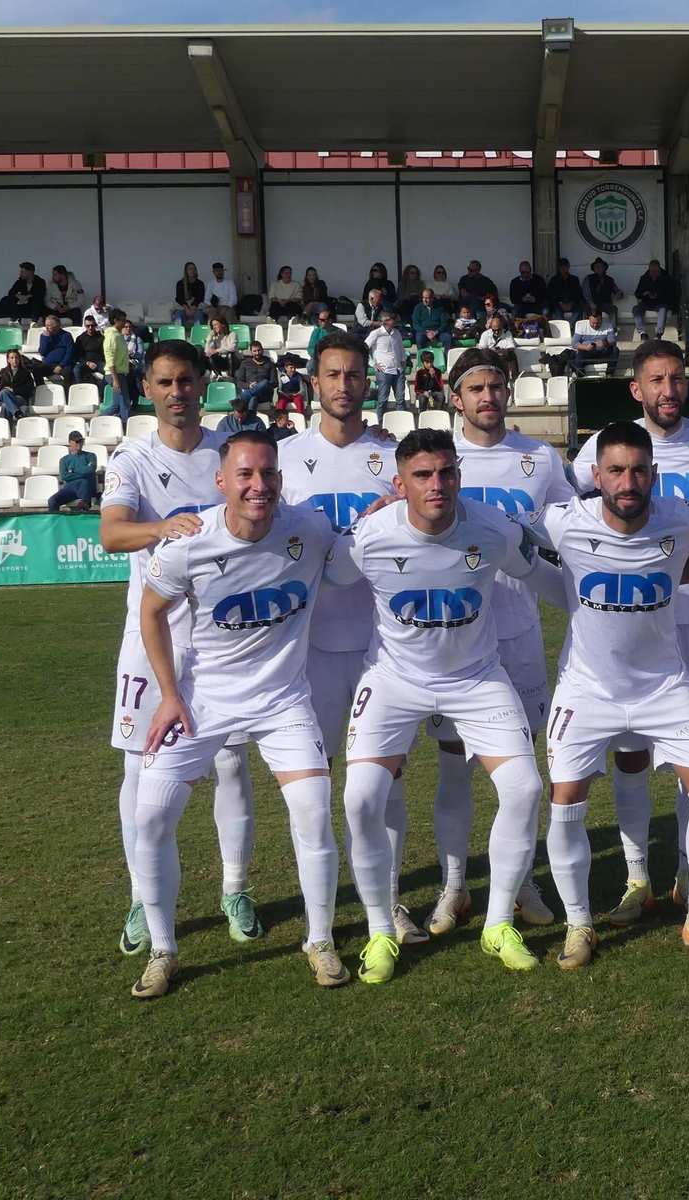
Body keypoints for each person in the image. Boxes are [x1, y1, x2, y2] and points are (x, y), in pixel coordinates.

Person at [131, 429, 347, 999]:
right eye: (246, 475)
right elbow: (151, 615)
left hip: (282, 701)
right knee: (151, 815)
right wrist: (170, 695)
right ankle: (163, 949)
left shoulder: (309, 528)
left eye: (268, 473)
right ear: (222, 481)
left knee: (312, 807)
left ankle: (319, 940)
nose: (259, 485)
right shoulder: (188, 543)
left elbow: (358, 546)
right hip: (202, 702)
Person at [326, 427, 549, 980]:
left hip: (476, 677)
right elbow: (327, 575)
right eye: (422, 475)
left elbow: (538, 571)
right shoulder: (370, 535)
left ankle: (499, 923)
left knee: (524, 787)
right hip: (394, 679)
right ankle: (381, 929)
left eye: (447, 472)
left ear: (458, 475)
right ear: (400, 484)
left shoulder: (494, 527)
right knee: (360, 799)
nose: (437, 485)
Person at [522, 421, 689, 966]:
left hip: (665, 687)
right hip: (587, 690)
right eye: (616, 471)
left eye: (639, 471)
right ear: (596, 475)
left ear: (655, 474)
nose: (628, 482)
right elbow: (495, 527)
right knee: (566, 801)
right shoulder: (563, 520)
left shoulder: (684, 516)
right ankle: (580, 926)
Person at [571, 340, 689, 923]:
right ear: (636, 389)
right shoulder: (601, 451)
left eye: (677, 379)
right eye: (656, 380)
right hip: (629, 628)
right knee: (631, 756)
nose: (669, 390)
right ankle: (636, 875)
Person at [98, 338, 260, 964]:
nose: (176, 392)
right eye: (164, 382)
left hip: (224, 633)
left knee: (230, 764)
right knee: (140, 767)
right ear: (148, 388)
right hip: (153, 634)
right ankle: (144, 895)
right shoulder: (132, 458)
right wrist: (160, 527)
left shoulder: (230, 453)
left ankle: (236, 888)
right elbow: (112, 532)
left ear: (202, 383)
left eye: (186, 380)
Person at [418, 348, 573, 935]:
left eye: (497, 386)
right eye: (475, 388)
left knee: (521, 769)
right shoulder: (440, 461)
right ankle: (454, 886)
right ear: (456, 398)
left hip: (519, 631)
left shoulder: (539, 457)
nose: (488, 397)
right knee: (454, 765)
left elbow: (567, 529)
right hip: (454, 639)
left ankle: (521, 881)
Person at [275, 330, 421, 943]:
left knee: (384, 776)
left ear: (369, 381)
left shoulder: (393, 456)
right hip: (307, 646)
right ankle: (325, 906)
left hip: (382, 644)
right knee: (316, 779)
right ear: (316, 383)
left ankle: (387, 903)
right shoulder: (282, 458)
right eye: (332, 375)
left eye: (354, 375)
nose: (343, 385)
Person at [365, 310, 408, 414]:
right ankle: (380, 424)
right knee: (383, 401)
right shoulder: (376, 333)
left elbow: (401, 348)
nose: (396, 320)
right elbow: (363, 348)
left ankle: (401, 422)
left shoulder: (396, 333)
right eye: (393, 318)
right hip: (384, 371)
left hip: (398, 370)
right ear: (387, 321)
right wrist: (372, 363)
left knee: (400, 400)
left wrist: (403, 360)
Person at [48, 430, 99, 512]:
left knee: (84, 483)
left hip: (85, 487)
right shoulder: (64, 460)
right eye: (76, 441)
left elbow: (91, 469)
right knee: (52, 501)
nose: (79, 443)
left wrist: (73, 471)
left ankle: (85, 504)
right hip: (70, 488)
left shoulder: (90, 456)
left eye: (81, 441)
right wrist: (84, 472)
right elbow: (64, 476)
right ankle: (54, 522)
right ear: (70, 442)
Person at [633, 260, 676, 338]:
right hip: (647, 302)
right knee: (636, 309)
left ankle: (659, 333)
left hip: (661, 303)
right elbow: (637, 294)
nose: (653, 273)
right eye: (652, 271)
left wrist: (658, 296)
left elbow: (672, 294)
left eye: (655, 271)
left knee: (663, 310)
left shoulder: (667, 279)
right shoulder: (644, 278)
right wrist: (644, 294)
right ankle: (642, 333)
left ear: (659, 269)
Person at [234, 341, 276, 414]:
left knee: (265, 382)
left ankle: (242, 399)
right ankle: (251, 418)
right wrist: (249, 386)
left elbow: (275, 383)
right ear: (251, 352)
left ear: (262, 350)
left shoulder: (270, 364)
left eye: (259, 350)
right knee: (253, 398)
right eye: (254, 351)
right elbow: (239, 382)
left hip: (265, 393)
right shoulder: (245, 364)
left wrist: (260, 385)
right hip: (251, 391)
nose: (257, 353)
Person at [0, 349, 34, 423]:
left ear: (19, 359)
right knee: (4, 392)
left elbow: (29, 388)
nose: (15, 360)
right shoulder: (3, 372)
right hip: (2, 397)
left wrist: (14, 390)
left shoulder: (25, 373)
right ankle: (17, 412)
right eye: (12, 358)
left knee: (5, 406)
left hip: (19, 397)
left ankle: (6, 430)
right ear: (8, 360)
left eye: (16, 357)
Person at [412, 288, 452, 355]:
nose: (425, 300)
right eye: (423, 297)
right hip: (424, 332)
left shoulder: (440, 308)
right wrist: (427, 332)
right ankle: (422, 360)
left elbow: (444, 323)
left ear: (432, 298)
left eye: (427, 298)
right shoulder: (418, 307)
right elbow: (415, 324)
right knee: (419, 338)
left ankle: (447, 360)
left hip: (437, 332)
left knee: (448, 337)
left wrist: (435, 332)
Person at [581, 258, 623, 323]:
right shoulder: (588, 278)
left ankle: (613, 329)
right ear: (594, 269)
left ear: (604, 268)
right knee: (585, 310)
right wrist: (591, 302)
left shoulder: (609, 279)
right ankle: (586, 330)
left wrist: (619, 293)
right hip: (591, 303)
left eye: (600, 266)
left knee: (613, 309)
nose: (598, 268)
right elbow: (585, 292)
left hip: (603, 303)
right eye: (596, 266)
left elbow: (616, 289)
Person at [37, 314, 75, 381]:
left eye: (49, 325)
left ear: (56, 326)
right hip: (49, 364)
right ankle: (42, 389)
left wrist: (61, 365)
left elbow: (70, 352)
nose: (46, 327)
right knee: (37, 371)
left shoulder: (66, 335)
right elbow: (42, 352)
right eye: (45, 325)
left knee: (68, 373)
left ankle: (68, 391)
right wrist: (46, 339)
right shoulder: (44, 336)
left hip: (64, 364)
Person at [548, 258, 585, 322]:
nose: (563, 267)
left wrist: (571, 303)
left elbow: (578, 294)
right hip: (558, 305)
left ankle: (570, 326)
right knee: (557, 312)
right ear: (558, 267)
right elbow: (551, 295)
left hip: (572, 304)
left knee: (579, 310)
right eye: (560, 265)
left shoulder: (574, 279)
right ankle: (563, 327)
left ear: (568, 266)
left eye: (565, 265)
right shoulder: (554, 280)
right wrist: (561, 304)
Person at [73, 315, 107, 386]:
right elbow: (78, 355)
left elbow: (109, 347)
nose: (90, 328)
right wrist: (88, 363)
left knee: (109, 372)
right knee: (76, 369)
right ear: (85, 326)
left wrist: (103, 333)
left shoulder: (101, 336)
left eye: (92, 325)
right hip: (87, 363)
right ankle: (81, 390)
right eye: (88, 326)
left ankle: (100, 393)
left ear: (96, 325)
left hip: (100, 362)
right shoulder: (80, 338)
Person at [173, 262, 205, 328]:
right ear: (186, 271)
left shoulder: (200, 283)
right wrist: (186, 308)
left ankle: (198, 335)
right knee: (179, 314)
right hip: (183, 305)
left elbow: (200, 297)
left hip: (196, 305)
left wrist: (193, 307)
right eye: (190, 269)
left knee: (199, 314)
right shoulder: (180, 283)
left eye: (194, 269)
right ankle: (178, 336)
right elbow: (179, 298)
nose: (192, 271)